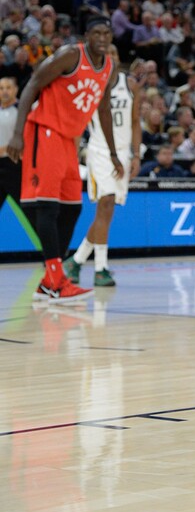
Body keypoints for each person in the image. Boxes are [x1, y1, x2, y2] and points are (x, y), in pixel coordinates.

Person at [7, 15, 122, 301]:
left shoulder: (109, 67)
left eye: (106, 34)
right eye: (96, 33)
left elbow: (104, 110)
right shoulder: (71, 55)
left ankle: (51, 280)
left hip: (70, 140)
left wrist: (113, 152)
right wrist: (18, 134)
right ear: (86, 35)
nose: (102, 38)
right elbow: (33, 84)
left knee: (72, 208)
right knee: (47, 206)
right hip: (44, 130)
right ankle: (56, 279)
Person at [64, 51, 142, 288]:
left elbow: (135, 122)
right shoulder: (91, 85)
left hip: (123, 153)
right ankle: (100, 268)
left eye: (113, 52)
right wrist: (72, 155)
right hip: (99, 151)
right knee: (106, 202)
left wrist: (136, 155)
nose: (110, 56)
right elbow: (78, 123)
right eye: (106, 53)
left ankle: (76, 261)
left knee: (105, 212)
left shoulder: (130, 85)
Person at [0, 75, 21, 211]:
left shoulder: (21, 111)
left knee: (27, 209)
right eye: (1, 88)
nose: (5, 91)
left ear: (15, 90)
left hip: (15, 165)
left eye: (8, 88)